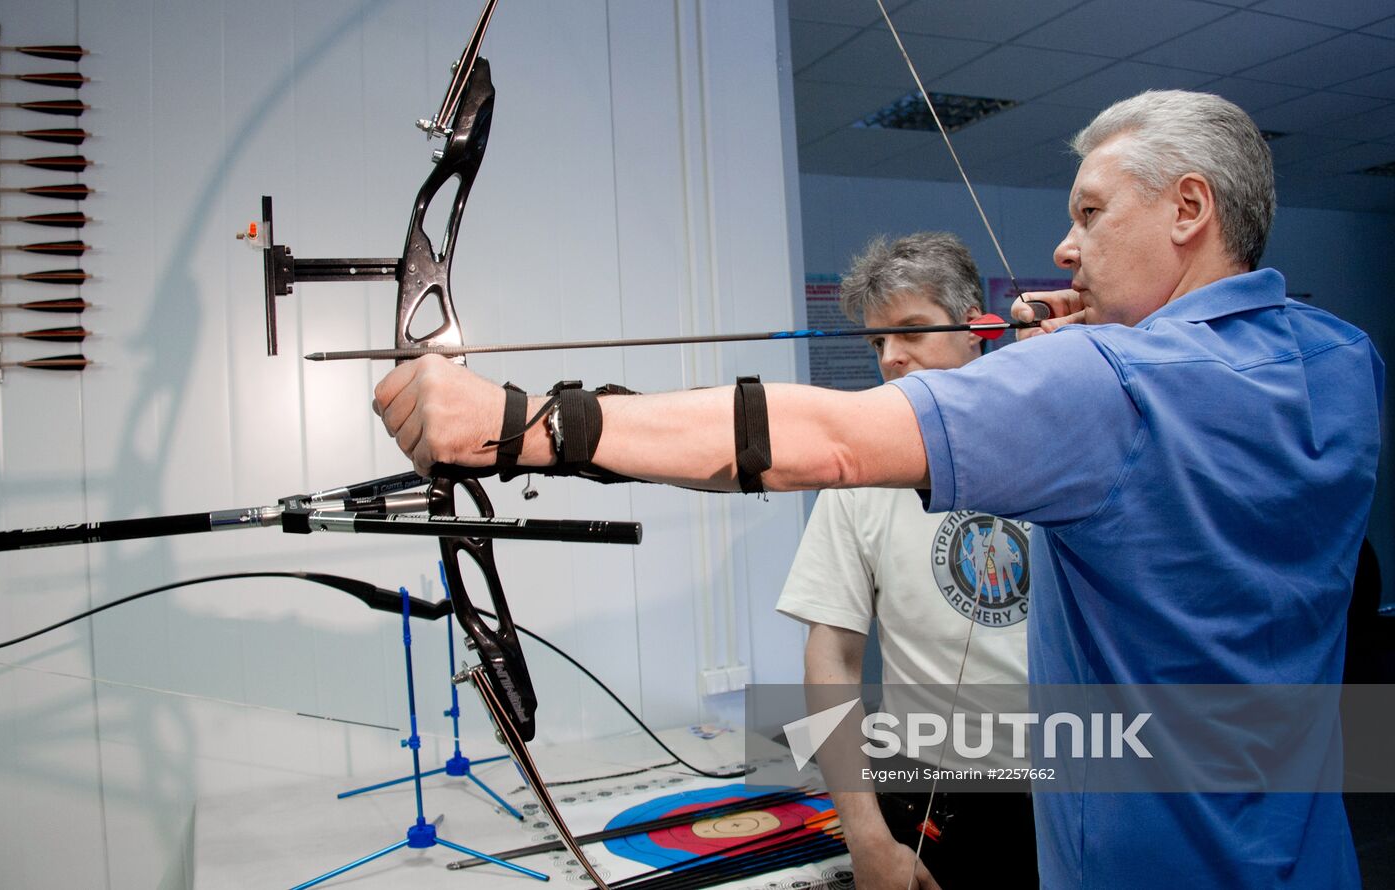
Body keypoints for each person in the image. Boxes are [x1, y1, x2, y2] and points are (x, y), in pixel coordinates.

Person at [372, 90, 1382, 888]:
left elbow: (826, 438)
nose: (1063, 249)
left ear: (1187, 208)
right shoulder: (1343, 360)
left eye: (1087, 212)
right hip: (1299, 854)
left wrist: (517, 423)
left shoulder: (1098, 385)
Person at [776, 231, 1035, 890]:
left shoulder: (1056, 441)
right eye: (877, 342)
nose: (891, 358)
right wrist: (867, 838)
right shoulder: (860, 474)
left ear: (977, 328)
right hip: (927, 797)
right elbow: (829, 656)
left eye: (912, 331)